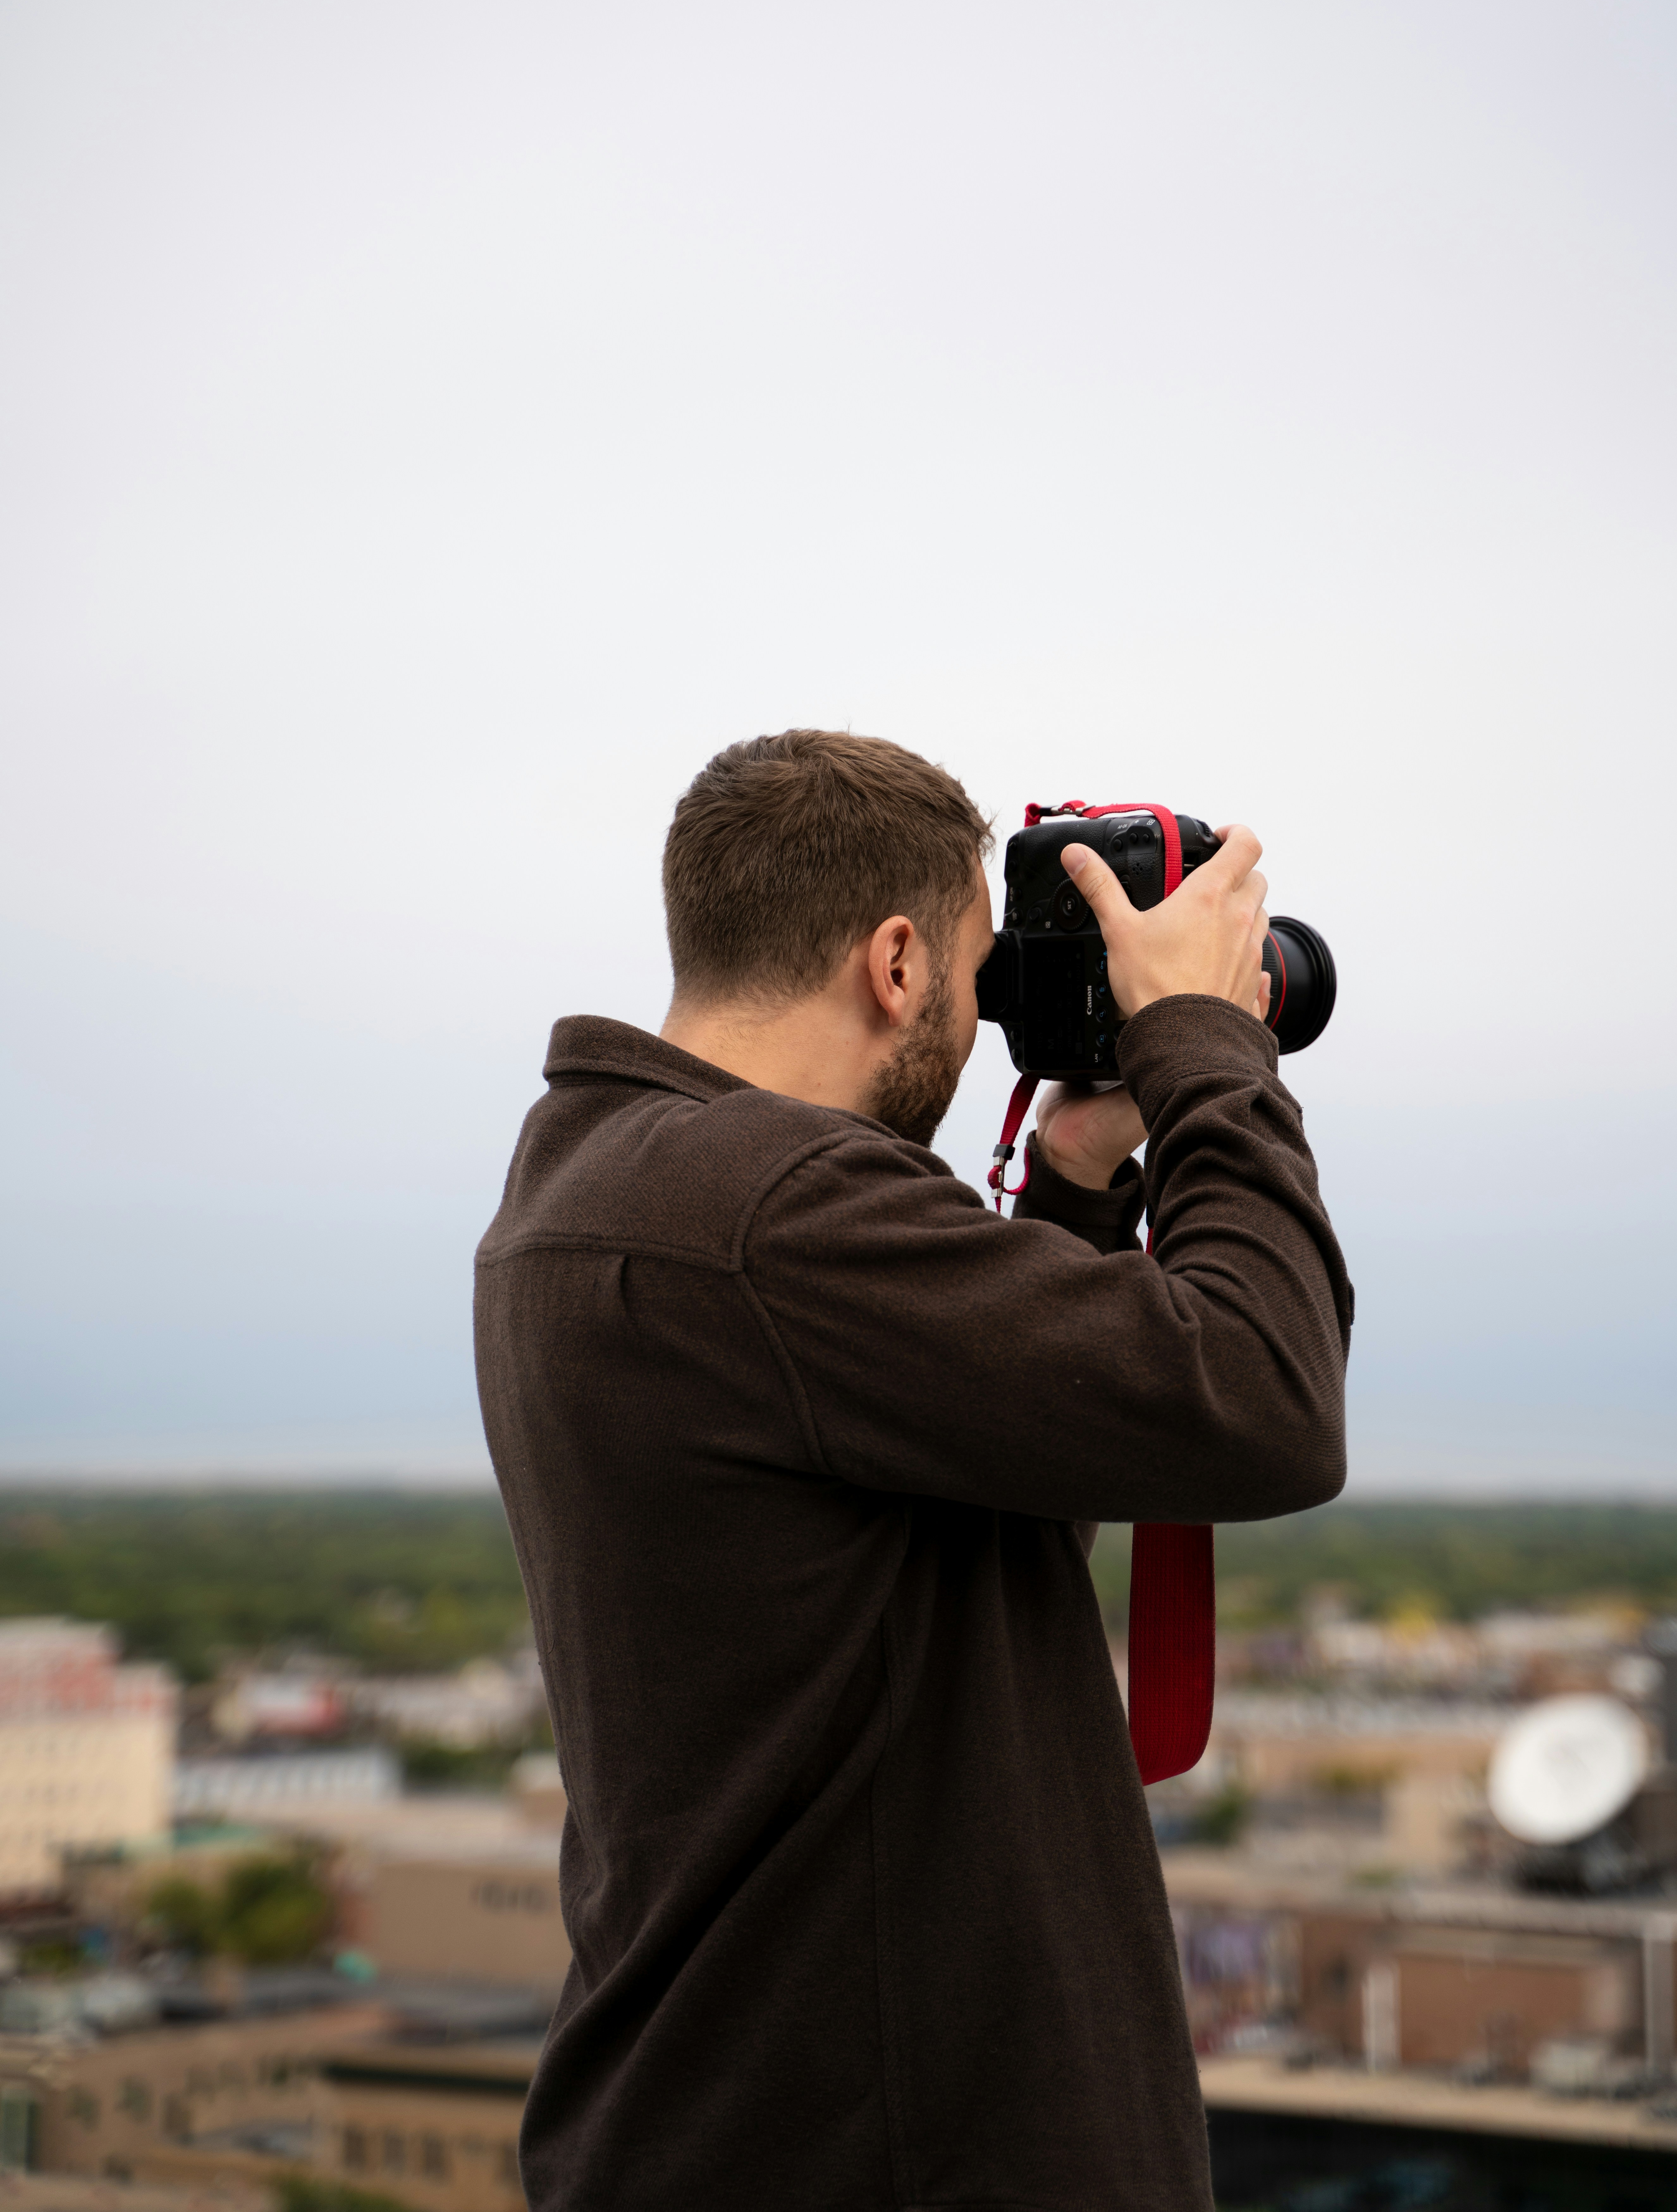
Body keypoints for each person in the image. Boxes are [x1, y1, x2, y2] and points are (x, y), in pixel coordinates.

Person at [475, 729, 1351, 2212]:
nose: (990, 1013)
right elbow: (1267, 1392)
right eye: (981, 968)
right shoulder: (774, 1206)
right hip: (889, 2155)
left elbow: (968, 1525)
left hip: (742, 2124)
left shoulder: (597, 1180)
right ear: (896, 962)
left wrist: (1075, 1181)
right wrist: (1207, 1046)